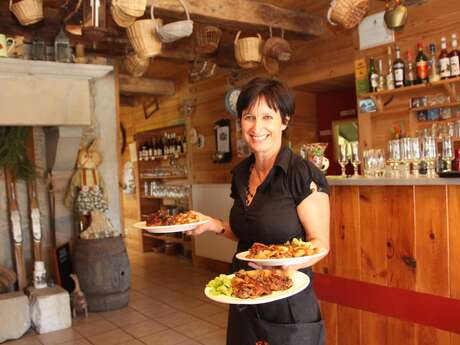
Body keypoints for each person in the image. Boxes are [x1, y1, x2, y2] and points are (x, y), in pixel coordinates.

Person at [190, 77, 330, 345]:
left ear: (284, 121)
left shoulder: (302, 173)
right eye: (249, 117)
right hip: (245, 295)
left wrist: (283, 264)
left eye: (267, 116)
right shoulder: (241, 174)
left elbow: (320, 244)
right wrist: (213, 225)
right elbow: (248, 233)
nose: (257, 127)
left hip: (287, 300)